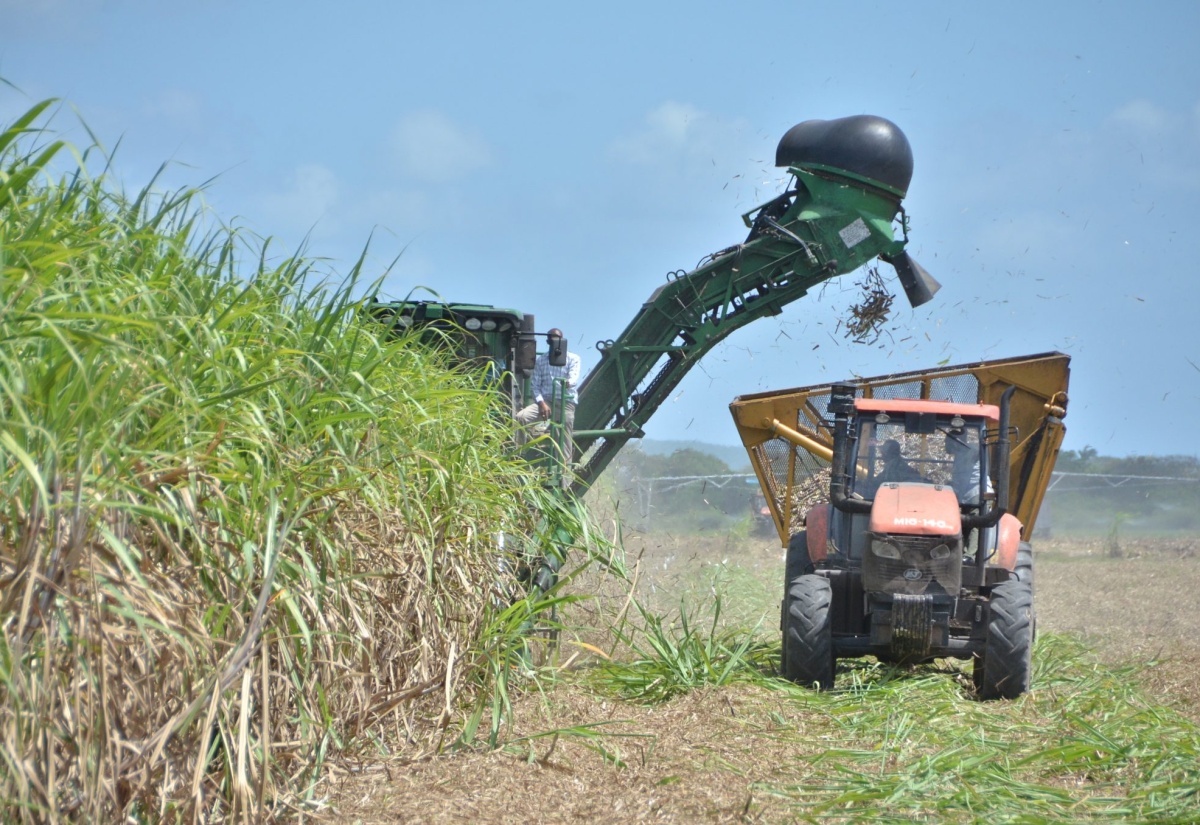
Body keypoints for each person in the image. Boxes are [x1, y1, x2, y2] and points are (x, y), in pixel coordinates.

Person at [515, 328, 581, 463]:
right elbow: (535, 385)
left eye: (557, 338)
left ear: (563, 340)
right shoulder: (541, 360)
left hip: (565, 404)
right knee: (521, 417)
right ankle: (519, 454)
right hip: (546, 402)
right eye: (551, 339)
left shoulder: (573, 358)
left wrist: (567, 383)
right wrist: (542, 403)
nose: (554, 341)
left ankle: (565, 481)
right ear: (547, 342)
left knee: (564, 444)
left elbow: (574, 378)